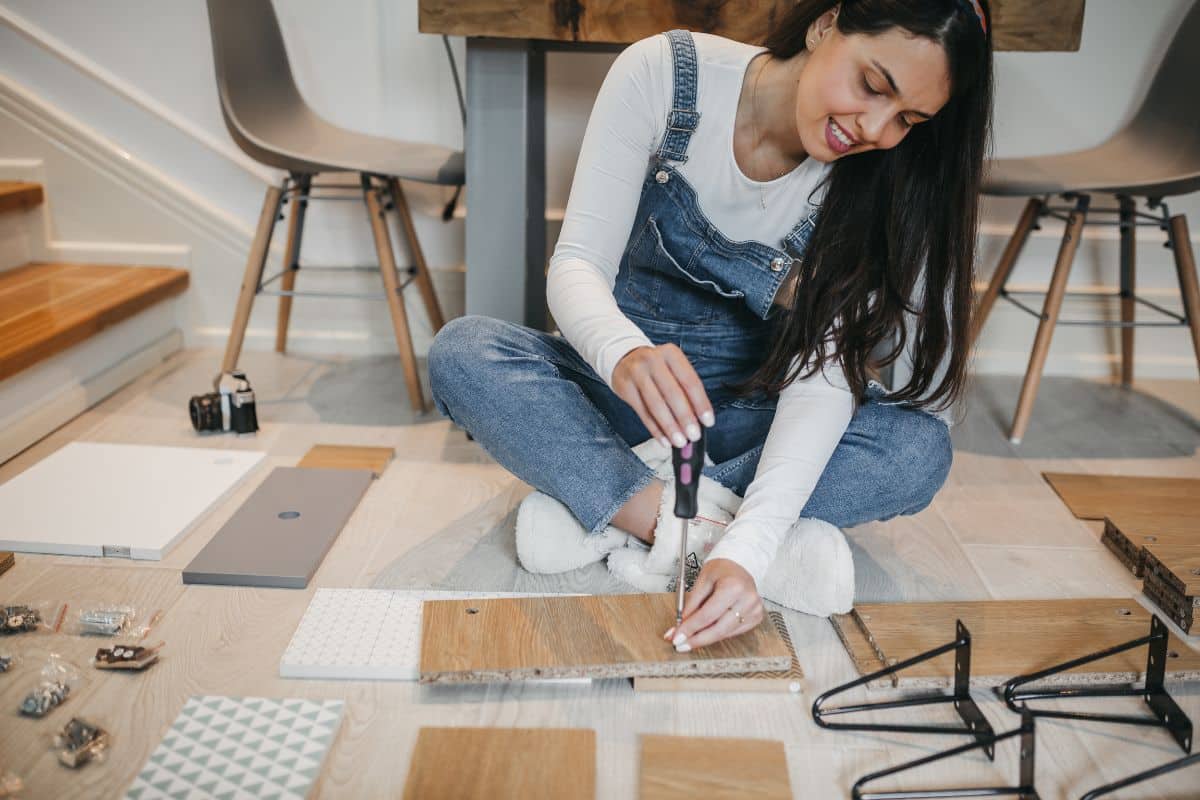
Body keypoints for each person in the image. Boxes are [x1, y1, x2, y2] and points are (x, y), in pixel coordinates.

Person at [429, 0, 993, 651]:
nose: (874, 128)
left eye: (908, 120)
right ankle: (718, 529)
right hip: (620, 396)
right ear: (826, 23)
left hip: (747, 418)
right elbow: (577, 265)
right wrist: (626, 356)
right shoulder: (665, 76)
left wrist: (741, 556)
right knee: (463, 352)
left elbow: (821, 384)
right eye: (873, 85)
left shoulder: (877, 180)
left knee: (918, 448)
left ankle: (629, 514)